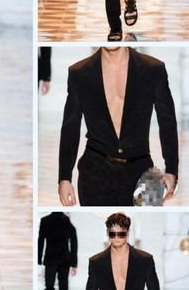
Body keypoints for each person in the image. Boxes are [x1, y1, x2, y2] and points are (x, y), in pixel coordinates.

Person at [58, 46, 178, 206]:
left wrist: (172, 170)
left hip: (141, 172)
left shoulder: (153, 69)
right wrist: (64, 177)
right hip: (95, 172)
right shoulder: (79, 72)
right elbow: (70, 127)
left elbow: (167, 121)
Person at [38, 212, 77, 290]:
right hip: (64, 260)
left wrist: (39, 260)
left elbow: (41, 241)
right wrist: (74, 263)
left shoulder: (45, 221)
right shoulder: (66, 221)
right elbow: (74, 241)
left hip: (50, 259)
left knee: (49, 287)